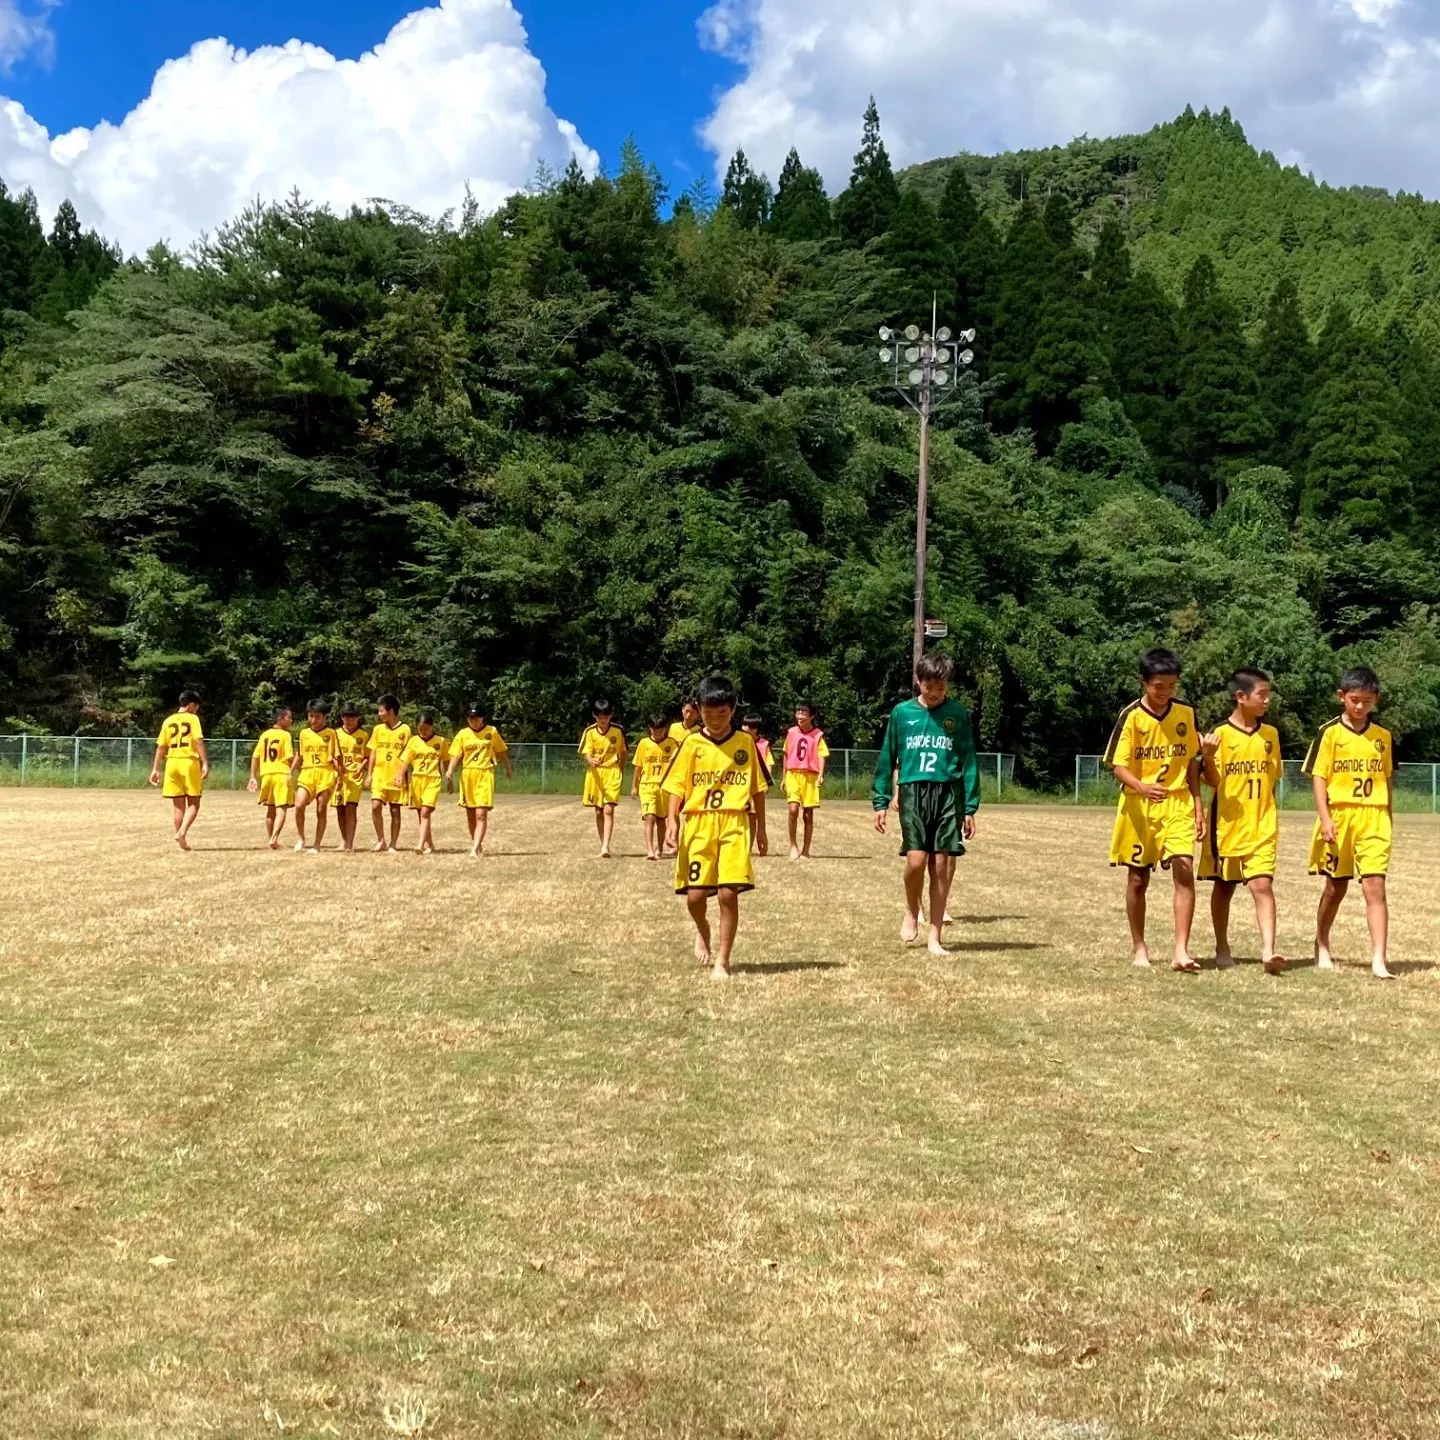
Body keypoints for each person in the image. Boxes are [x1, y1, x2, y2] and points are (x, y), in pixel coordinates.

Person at [1103, 649, 1207, 973]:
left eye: (1172, 686)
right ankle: (1140, 947)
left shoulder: (1186, 713)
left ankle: (1181, 950)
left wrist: (1198, 806)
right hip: (1139, 805)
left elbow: (1191, 762)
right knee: (1137, 879)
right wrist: (1142, 786)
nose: (1165, 693)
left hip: (1178, 802)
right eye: (1159, 686)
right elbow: (1118, 766)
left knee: (1185, 867)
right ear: (1144, 682)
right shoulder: (1131, 716)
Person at [871, 654, 980, 958]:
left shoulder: (957, 715)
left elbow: (968, 759)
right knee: (916, 861)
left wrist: (970, 807)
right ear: (919, 681)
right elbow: (887, 757)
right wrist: (881, 800)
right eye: (929, 686)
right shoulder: (901, 713)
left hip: (947, 793)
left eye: (941, 688)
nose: (934, 693)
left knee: (941, 864)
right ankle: (911, 908)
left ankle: (935, 935)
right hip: (913, 792)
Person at [663, 675, 769, 979]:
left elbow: (758, 788)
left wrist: (760, 828)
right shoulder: (691, 743)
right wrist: (671, 820)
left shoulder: (745, 744)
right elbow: (676, 785)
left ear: (733, 709)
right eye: (710, 714)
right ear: (699, 709)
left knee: (727, 893)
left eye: (722, 713)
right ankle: (703, 929)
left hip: (734, 822)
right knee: (695, 897)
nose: (717, 720)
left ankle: (723, 960)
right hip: (698, 824)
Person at [1304, 666, 1395, 980]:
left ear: (1375, 700)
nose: (1360, 707)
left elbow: (1387, 779)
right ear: (1342, 696)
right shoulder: (1329, 733)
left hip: (1374, 816)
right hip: (1340, 815)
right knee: (1335, 886)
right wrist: (1325, 817)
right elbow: (1318, 777)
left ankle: (1379, 959)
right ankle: (1322, 942)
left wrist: (1389, 817)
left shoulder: (1383, 737)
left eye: (1367, 701)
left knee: (1375, 886)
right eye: (1355, 700)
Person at [1199, 669, 1285, 974]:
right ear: (1241, 697)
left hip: (1262, 824)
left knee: (1262, 884)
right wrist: (1207, 757)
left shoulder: (1271, 735)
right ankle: (1222, 946)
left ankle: (1268, 951)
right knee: (1224, 887)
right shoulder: (1219, 734)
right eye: (1261, 694)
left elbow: (1272, 780)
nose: (1266, 700)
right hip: (1227, 826)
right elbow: (1212, 781)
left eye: (1268, 694)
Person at [446, 702, 513, 857]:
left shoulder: (492, 732)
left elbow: (501, 750)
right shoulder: (463, 734)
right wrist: (450, 770)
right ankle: (477, 843)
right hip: (468, 775)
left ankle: (474, 849)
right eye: (471, 717)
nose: (474, 721)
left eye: (476, 717)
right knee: (470, 814)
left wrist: (508, 768)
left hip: (485, 774)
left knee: (481, 814)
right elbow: (456, 754)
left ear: (483, 718)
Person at [148, 688, 209, 851]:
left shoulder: (168, 721)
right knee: (194, 803)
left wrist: (155, 769)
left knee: (178, 805)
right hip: (188, 762)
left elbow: (161, 746)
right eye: (196, 707)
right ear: (190, 705)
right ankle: (181, 832)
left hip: (172, 763)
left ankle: (180, 839)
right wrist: (205, 763)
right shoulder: (192, 719)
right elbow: (198, 741)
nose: (196, 710)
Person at [395, 711, 449, 855]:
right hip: (417, 780)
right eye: (420, 729)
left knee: (426, 811)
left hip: (433, 779)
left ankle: (420, 844)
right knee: (422, 814)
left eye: (426, 728)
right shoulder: (413, 741)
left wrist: (449, 778)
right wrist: (400, 775)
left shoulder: (440, 741)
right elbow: (406, 760)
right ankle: (429, 844)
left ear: (432, 726)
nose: (423, 732)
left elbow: (446, 760)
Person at [579, 699, 628, 859]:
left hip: (612, 772)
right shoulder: (590, 732)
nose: (603, 719)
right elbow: (586, 752)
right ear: (594, 715)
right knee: (599, 811)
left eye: (606, 716)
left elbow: (623, 752)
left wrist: (621, 771)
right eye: (600, 716)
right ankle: (603, 844)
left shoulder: (618, 731)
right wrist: (590, 760)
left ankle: (606, 845)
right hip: (596, 774)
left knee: (609, 809)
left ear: (610, 715)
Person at [291, 699, 340, 854]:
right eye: (311, 716)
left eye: (317, 716)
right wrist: (290, 770)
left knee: (321, 808)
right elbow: (300, 754)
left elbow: (337, 756)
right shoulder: (304, 733)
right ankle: (301, 838)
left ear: (324, 717)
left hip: (325, 773)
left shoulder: (331, 733)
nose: (313, 720)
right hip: (307, 772)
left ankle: (317, 844)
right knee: (299, 805)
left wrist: (340, 776)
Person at [781, 702, 829, 860]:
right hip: (793, 774)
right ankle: (792, 845)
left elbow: (822, 755)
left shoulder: (818, 735)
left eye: (803, 713)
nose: (799, 716)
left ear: (812, 716)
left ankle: (806, 850)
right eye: (798, 712)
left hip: (810, 776)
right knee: (793, 810)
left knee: (808, 815)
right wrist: (783, 777)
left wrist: (821, 774)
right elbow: (786, 754)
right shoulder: (791, 732)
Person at [365, 695, 411, 854]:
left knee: (395, 810)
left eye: (381, 710)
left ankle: (393, 843)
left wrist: (401, 774)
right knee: (375, 806)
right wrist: (369, 774)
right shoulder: (378, 730)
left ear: (391, 711)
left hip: (395, 777)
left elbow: (407, 755)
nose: (379, 714)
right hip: (379, 774)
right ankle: (380, 840)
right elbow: (373, 752)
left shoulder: (405, 730)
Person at [248, 706, 296, 850]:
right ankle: (274, 838)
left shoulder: (265, 735)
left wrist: (252, 776)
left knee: (270, 809)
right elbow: (289, 757)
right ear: (280, 719)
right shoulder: (285, 735)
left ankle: (271, 839)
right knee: (282, 808)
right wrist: (297, 761)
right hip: (281, 774)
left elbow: (255, 756)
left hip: (266, 774)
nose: (291, 721)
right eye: (289, 718)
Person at [631, 714, 678, 861]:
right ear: (650, 728)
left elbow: (679, 765)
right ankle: (650, 850)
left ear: (665, 729)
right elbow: (638, 767)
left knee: (661, 819)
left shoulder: (672, 744)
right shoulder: (644, 744)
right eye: (654, 730)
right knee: (649, 816)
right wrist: (634, 786)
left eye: (660, 730)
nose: (657, 733)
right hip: (647, 785)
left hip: (665, 788)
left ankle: (660, 848)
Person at [332, 705, 369, 854]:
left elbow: (368, 756)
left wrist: (361, 767)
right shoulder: (335, 734)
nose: (350, 720)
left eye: (353, 717)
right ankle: (344, 840)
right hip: (339, 777)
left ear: (358, 718)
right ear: (342, 718)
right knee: (340, 809)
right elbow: (331, 755)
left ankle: (350, 843)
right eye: (347, 717)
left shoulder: (363, 735)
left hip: (355, 777)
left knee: (351, 808)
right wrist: (337, 767)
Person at [741, 714, 772, 852]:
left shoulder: (763, 744)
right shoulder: (739, 742)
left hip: (756, 785)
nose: (744, 728)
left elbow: (768, 764)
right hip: (741, 784)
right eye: (743, 725)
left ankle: (748, 847)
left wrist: (766, 782)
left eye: (748, 726)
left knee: (753, 816)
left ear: (755, 729)